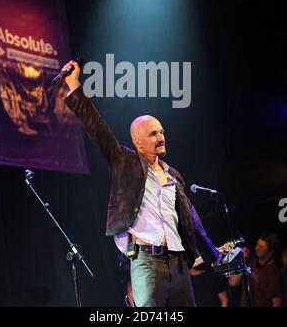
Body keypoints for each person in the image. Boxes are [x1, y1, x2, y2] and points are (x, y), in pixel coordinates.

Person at [62, 59, 221, 307]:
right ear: (137, 142)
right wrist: (74, 84)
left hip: (179, 264)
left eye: (162, 132)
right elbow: (97, 127)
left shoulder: (173, 174)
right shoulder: (124, 161)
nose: (161, 137)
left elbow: (191, 219)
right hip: (147, 262)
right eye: (153, 134)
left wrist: (213, 254)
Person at [230, 233, 282, 307]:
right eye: (257, 244)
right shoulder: (251, 261)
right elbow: (233, 282)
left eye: (261, 247)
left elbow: (277, 301)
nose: (256, 248)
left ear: (270, 251)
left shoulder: (273, 272)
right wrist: (243, 261)